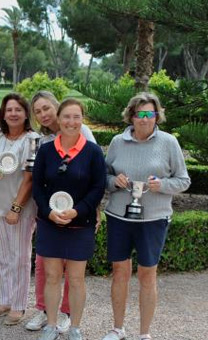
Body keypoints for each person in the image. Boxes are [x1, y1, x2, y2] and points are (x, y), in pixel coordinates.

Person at [101, 93, 190, 340]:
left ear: (157, 115)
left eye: (150, 113)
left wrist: (161, 184)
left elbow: (184, 180)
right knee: (119, 271)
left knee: (147, 274)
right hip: (119, 216)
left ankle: (144, 333)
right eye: (139, 114)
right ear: (131, 116)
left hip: (154, 219)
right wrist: (114, 181)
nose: (145, 119)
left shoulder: (169, 142)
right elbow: (104, 178)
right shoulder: (118, 142)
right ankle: (118, 328)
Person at [33, 99, 106, 340]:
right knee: (52, 276)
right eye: (66, 117)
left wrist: (78, 211)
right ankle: (51, 325)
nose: (71, 122)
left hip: (80, 224)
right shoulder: (45, 151)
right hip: (50, 223)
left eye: (76, 117)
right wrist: (48, 212)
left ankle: (75, 327)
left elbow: (98, 188)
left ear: (82, 119)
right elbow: (37, 187)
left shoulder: (94, 152)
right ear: (59, 119)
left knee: (76, 279)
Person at [0, 93, 38, 326]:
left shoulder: (32, 140)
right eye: (8, 110)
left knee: (20, 258)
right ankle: (5, 300)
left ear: (26, 113)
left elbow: (29, 178)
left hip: (20, 207)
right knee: (3, 257)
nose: (13, 114)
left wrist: (16, 208)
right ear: (3, 114)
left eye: (18, 109)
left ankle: (19, 305)